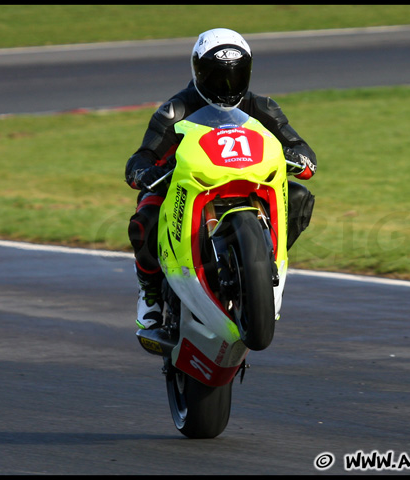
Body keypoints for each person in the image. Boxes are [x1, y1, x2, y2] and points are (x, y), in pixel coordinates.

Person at [126, 28, 316, 330]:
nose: (228, 85)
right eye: (218, 77)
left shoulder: (262, 107)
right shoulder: (176, 110)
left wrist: (300, 158)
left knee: (298, 196)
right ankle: (150, 293)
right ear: (198, 72)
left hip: (248, 181)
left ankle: (262, 266)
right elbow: (140, 158)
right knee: (146, 213)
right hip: (189, 186)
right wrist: (145, 172)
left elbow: (299, 146)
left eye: (236, 75)